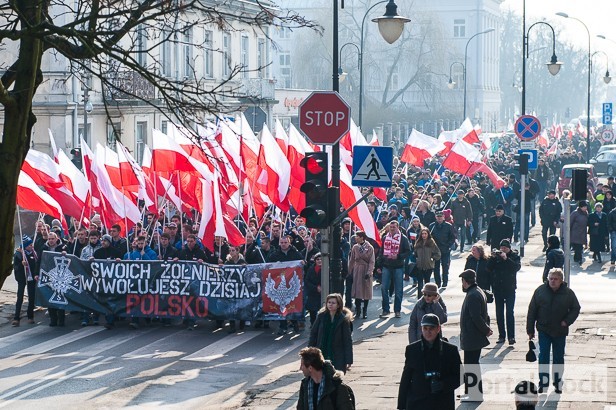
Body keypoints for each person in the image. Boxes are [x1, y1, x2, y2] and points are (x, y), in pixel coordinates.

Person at [527, 268, 581, 393]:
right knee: (543, 356)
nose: (552, 281)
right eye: (550, 278)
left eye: (555, 279)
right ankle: (543, 383)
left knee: (558, 357)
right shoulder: (540, 291)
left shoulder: (568, 293)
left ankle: (557, 382)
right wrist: (530, 330)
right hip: (544, 329)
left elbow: (575, 308)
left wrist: (567, 321)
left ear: (561, 280)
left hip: (560, 330)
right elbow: (532, 311)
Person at [397, 313, 462, 410]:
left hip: (442, 402)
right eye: (425, 328)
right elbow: (405, 379)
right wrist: (401, 405)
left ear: (438, 329)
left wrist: (443, 385)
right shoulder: (412, 349)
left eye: (431, 328)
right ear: (421, 329)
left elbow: (461, 376)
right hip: (417, 402)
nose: (428, 332)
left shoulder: (450, 350)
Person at [459, 269, 493, 401]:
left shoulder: (473, 295)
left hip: (472, 336)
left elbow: (476, 317)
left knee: (471, 365)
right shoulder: (477, 291)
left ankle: (475, 394)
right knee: (471, 364)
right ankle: (470, 391)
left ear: (465, 281)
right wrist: (486, 329)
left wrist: (486, 330)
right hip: (473, 336)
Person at [268, 234, 304, 335]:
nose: (283, 244)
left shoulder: (295, 253)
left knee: (292, 304)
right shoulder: (275, 254)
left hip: (292, 282)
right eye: (282, 243)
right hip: (280, 284)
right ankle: (283, 326)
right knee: (281, 305)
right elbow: (268, 265)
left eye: (285, 242)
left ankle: (295, 323)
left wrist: (302, 262)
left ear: (289, 243)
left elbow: (302, 263)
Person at [308, 294, 353, 374]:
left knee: (335, 380)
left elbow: (347, 340)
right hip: (321, 352)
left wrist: (348, 359)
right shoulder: (321, 316)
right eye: (329, 302)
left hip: (337, 355)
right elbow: (313, 334)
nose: (330, 304)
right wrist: (309, 352)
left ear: (339, 305)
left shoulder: (343, 320)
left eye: (333, 303)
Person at [487, 239, 521, 345]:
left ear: (509, 248)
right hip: (498, 288)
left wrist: (506, 258)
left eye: (505, 248)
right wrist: (492, 258)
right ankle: (502, 335)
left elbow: (516, 267)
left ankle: (511, 336)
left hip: (510, 288)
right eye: (501, 248)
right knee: (499, 313)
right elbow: (488, 268)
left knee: (509, 313)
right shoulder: (496, 256)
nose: (503, 250)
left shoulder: (514, 256)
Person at [377, 220, 411, 318]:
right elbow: (381, 252)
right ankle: (386, 310)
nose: (392, 229)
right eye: (390, 227)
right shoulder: (385, 238)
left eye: (394, 227)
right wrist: (378, 266)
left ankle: (397, 310)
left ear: (398, 227)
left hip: (398, 267)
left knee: (398, 290)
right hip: (386, 266)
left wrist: (398, 256)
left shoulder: (403, 239)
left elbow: (408, 251)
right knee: (384, 289)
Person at [348, 231, 375, 320]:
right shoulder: (355, 247)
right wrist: (349, 271)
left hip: (366, 270)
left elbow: (372, 261)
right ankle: (358, 309)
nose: (356, 238)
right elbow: (352, 260)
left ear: (362, 238)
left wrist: (369, 272)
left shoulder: (370, 248)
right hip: (357, 269)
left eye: (357, 236)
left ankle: (365, 310)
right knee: (357, 290)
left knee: (366, 290)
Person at [12, 236, 38, 327]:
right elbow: (15, 267)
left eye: (32, 244)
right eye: (30, 245)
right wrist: (21, 264)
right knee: (20, 297)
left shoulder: (34, 253)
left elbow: (35, 265)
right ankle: (16, 318)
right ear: (25, 246)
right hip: (22, 278)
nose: (32, 246)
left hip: (31, 279)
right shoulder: (19, 254)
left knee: (31, 297)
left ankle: (30, 316)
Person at [429, 212, 455, 288]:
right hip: (435, 250)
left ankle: (445, 281)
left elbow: (452, 237)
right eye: (438, 217)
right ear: (435, 217)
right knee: (436, 267)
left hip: (445, 249)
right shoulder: (432, 226)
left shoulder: (448, 226)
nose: (439, 218)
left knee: (445, 266)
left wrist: (448, 245)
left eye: (441, 217)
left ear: (444, 217)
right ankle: (438, 282)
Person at [413, 228, 441, 298]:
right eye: (422, 234)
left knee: (427, 282)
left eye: (425, 234)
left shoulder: (431, 242)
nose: (424, 235)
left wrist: (432, 258)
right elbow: (415, 253)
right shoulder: (418, 242)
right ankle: (419, 297)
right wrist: (416, 258)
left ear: (428, 234)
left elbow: (438, 253)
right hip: (419, 265)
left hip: (428, 265)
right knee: (420, 282)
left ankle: (427, 296)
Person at [304, 253, 323, 326]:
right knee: (312, 311)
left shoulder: (327, 268)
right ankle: (313, 324)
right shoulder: (311, 269)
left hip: (323, 293)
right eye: (318, 259)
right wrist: (316, 288)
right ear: (315, 261)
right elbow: (307, 281)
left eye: (321, 259)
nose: (319, 261)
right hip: (313, 293)